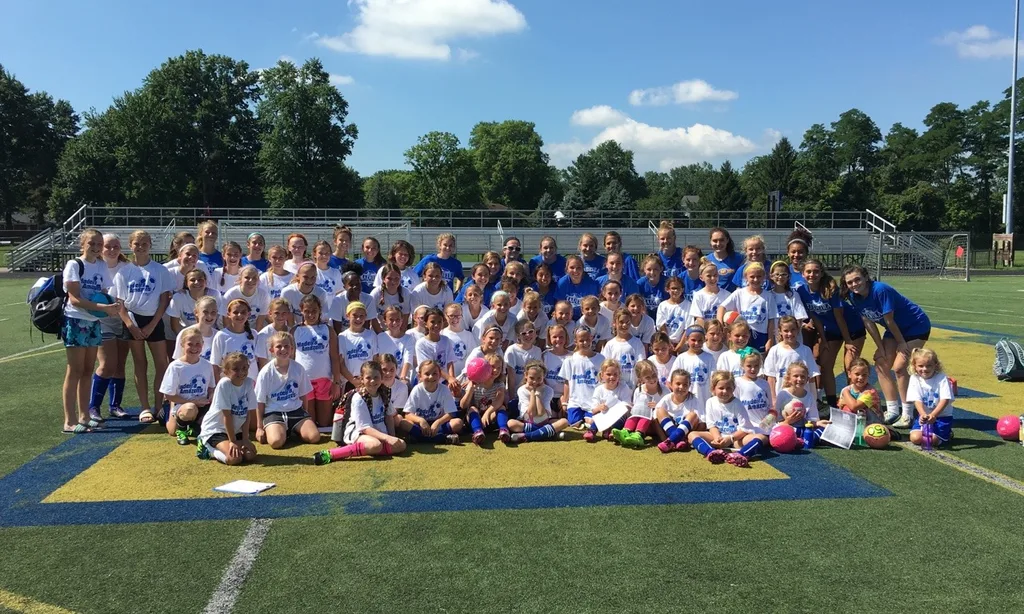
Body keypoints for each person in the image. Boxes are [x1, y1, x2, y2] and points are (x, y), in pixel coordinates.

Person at [841, 264, 931, 428]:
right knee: (881, 363)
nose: (854, 284)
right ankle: (892, 410)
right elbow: (868, 322)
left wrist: (902, 343)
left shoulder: (880, 290)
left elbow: (889, 320)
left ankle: (907, 413)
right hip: (894, 330)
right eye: (850, 282)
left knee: (899, 367)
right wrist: (880, 347)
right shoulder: (854, 297)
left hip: (916, 326)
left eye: (857, 279)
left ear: (866, 278)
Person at [61, 229, 124, 433]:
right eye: (92, 243)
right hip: (76, 320)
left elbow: (102, 294)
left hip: (94, 322)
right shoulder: (74, 265)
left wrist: (113, 305)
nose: (96, 247)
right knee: (75, 370)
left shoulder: (101, 265)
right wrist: (103, 309)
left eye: (99, 243)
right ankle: (69, 421)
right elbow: (74, 299)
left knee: (88, 370)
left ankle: (84, 416)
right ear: (83, 244)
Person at [112, 230, 174, 425]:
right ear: (130, 246)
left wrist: (153, 324)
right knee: (140, 364)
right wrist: (131, 325)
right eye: (136, 243)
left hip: (154, 320)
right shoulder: (124, 271)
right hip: (132, 321)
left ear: (150, 245)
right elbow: (120, 302)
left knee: (161, 364)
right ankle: (145, 407)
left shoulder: (160, 270)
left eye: (144, 243)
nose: (140, 247)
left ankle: (159, 406)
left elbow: (164, 300)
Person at [799, 259, 864, 409]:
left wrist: (848, 340)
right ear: (803, 274)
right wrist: (824, 338)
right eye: (808, 271)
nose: (812, 274)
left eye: (816, 271)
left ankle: (853, 402)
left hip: (852, 328)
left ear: (821, 273)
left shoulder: (829, 288)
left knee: (850, 366)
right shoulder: (802, 291)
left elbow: (839, 317)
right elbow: (815, 317)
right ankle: (832, 404)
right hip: (831, 330)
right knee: (826, 365)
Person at [314, 360, 406, 464]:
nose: (372, 381)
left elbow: (389, 418)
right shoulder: (359, 398)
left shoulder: (384, 393)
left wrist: (392, 437)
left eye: (376, 377)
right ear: (362, 379)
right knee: (375, 445)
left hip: (378, 433)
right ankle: (332, 454)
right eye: (368, 378)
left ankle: (367, 449)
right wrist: (388, 438)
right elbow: (365, 428)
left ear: (381, 378)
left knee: (401, 445)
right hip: (358, 432)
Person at [88, 232, 130, 422]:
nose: (112, 250)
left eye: (116, 247)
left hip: (124, 320)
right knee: (107, 364)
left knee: (120, 365)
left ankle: (115, 405)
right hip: (103, 320)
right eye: (108, 246)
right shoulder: (95, 267)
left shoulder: (127, 268)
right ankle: (93, 407)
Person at [255, 331, 320, 449]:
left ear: (292, 349)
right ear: (271, 350)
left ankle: (294, 429)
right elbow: (260, 401)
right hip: (274, 412)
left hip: (295, 410)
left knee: (314, 437)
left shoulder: (298, 368)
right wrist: (259, 427)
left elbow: (303, 395)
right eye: (278, 346)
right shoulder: (265, 372)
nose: (283, 349)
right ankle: (281, 430)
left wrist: (305, 414)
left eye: (286, 346)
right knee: (276, 442)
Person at [688, 371, 766, 467]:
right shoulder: (710, 402)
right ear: (713, 389)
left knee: (762, 438)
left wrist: (730, 439)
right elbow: (711, 425)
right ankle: (711, 452)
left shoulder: (737, 404)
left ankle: (741, 455)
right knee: (692, 434)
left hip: (736, 439)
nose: (725, 391)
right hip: (718, 438)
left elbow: (745, 429)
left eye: (728, 388)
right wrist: (717, 438)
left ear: (733, 388)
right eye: (721, 388)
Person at [197, 352, 257, 465]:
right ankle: (207, 449)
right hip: (216, 430)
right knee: (234, 459)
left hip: (235, 430)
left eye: (244, 368)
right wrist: (233, 442)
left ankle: (231, 443)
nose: (241, 372)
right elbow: (227, 416)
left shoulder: (249, 383)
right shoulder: (224, 384)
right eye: (236, 369)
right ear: (226, 371)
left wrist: (245, 438)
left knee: (250, 455)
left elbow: (247, 414)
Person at [158, 327, 214, 445]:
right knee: (185, 415)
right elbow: (168, 395)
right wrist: (193, 401)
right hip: (183, 405)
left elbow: (211, 388)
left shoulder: (207, 365)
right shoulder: (176, 366)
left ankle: (193, 425)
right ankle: (173, 421)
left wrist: (210, 398)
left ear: (203, 344)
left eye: (198, 344)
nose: (194, 348)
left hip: (202, 405)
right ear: (182, 344)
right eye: (190, 344)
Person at [293, 295, 342, 428]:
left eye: (314, 310)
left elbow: (334, 357)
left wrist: (336, 382)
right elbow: (290, 359)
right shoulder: (295, 331)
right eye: (307, 311)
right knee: (311, 422)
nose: (311, 314)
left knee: (325, 423)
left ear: (320, 310)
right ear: (301, 310)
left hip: (324, 380)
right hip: (304, 381)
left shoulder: (328, 330)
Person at [398, 360, 462, 444]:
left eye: (434, 373)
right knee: (403, 423)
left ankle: (419, 439)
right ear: (419, 376)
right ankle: (442, 438)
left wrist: (438, 422)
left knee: (458, 423)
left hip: (439, 425)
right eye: (427, 374)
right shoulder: (417, 389)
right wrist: (421, 420)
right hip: (421, 426)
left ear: (439, 375)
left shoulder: (444, 389)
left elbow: (451, 413)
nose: (431, 377)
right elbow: (407, 414)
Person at [718, 262, 777, 353]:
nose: (756, 279)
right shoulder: (739, 293)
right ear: (746, 277)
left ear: (764, 277)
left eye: (759, 276)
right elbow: (722, 307)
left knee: (758, 360)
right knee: (739, 358)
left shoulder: (768, 296)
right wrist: (721, 325)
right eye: (752, 277)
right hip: (742, 335)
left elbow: (771, 321)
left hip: (761, 336)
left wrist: (770, 340)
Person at [763, 316, 820, 407]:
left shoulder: (805, 350)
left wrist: (813, 397)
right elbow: (771, 377)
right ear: (780, 331)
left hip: (803, 399)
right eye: (786, 331)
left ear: (798, 330)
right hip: (782, 397)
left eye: (793, 330)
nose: (790, 333)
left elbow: (812, 376)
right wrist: (773, 398)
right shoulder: (775, 351)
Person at [509, 361, 569, 443]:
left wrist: (537, 394)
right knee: (511, 423)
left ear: (543, 376)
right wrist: (533, 393)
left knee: (564, 422)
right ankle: (548, 434)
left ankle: (527, 436)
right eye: (532, 378)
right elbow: (531, 413)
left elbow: (541, 413)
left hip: (544, 422)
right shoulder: (522, 390)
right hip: (528, 423)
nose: (535, 382)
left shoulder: (549, 390)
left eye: (539, 378)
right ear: (526, 375)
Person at [907, 348, 955, 448]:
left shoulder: (941, 378)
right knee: (915, 438)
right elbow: (917, 399)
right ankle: (935, 432)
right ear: (914, 366)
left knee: (932, 440)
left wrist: (933, 415)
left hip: (941, 417)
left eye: (929, 366)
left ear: (935, 365)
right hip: (924, 417)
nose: (925, 369)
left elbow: (945, 399)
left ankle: (947, 433)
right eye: (921, 366)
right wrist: (923, 414)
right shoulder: (914, 378)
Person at [774, 362, 828, 449]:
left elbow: (811, 420)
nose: (799, 379)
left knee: (825, 430)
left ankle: (800, 440)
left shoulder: (810, 396)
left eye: (803, 377)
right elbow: (776, 421)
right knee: (780, 432)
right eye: (796, 376)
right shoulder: (782, 394)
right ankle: (803, 440)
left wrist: (817, 423)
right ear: (788, 378)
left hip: (803, 429)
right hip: (786, 428)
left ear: (807, 379)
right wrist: (787, 421)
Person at [558, 327, 604, 429]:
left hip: (592, 402)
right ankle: (581, 419)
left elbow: (603, 382)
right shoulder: (569, 360)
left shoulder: (600, 358)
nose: (585, 343)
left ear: (592, 338)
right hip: (576, 401)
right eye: (581, 340)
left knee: (591, 423)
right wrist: (565, 401)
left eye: (587, 339)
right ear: (576, 341)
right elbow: (567, 382)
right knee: (574, 423)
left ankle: (588, 418)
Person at [612, 359, 662, 447]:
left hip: (656, 423)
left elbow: (670, 406)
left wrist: (657, 406)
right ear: (641, 379)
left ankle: (639, 434)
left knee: (645, 410)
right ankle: (626, 431)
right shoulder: (638, 390)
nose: (652, 379)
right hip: (643, 422)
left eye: (654, 375)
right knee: (637, 410)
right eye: (647, 377)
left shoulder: (664, 390)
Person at [461, 352, 507, 445]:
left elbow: (499, 401)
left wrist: (487, 413)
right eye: (492, 367)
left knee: (502, 407)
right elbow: (463, 405)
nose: (496, 370)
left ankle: (503, 430)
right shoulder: (475, 383)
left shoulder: (499, 384)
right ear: (485, 367)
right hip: (475, 419)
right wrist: (471, 390)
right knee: (472, 408)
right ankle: (478, 432)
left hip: (490, 418)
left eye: (499, 368)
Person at [210, 298, 260, 382]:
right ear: (228, 314)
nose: (239, 315)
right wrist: (217, 386)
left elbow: (259, 361)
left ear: (249, 314)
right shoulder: (221, 336)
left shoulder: (254, 334)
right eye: (235, 312)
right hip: (229, 384)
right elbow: (215, 364)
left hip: (251, 383)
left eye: (243, 312)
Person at [654, 369, 702, 453]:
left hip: (686, 433)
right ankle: (673, 441)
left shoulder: (694, 400)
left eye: (685, 384)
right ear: (671, 384)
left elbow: (702, 424)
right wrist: (664, 439)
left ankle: (673, 441)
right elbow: (655, 420)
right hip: (668, 431)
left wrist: (689, 438)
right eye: (678, 384)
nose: (681, 387)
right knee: (659, 410)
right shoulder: (667, 398)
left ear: (689, 385)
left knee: (693, 415)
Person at [670, 325, 717, 412]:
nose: (697, 343)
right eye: (693, 340)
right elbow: (671, 381)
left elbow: (714, 380)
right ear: (687, 339)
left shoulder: (709, 358)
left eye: (700, 340)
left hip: (704, 400)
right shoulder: (681, 358)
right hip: (686, 403)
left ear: (704, 340)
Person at [584, 359, 632, 442]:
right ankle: (592, 431)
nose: (612, 377)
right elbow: (593, 411)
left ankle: (612, 432)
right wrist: (599, 408)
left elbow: (627, 406)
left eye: (615, 374)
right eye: (608, 374)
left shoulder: (624, 387)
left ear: (619, 375)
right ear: (602, 375)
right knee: (598, 417)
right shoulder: (599, 389)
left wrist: (617, 408)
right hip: (604, 415)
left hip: (618, 416)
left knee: (619, 418)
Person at [415, 307, 458, 395]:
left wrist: (452, 380)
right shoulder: (421, 344)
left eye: (439, 322)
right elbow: (430, 367)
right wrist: (449, 378)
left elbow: (450, 362)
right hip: (429, 383)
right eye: (432, 322)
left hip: (444, 382)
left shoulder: (446, 340)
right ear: (426, 324)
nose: (436, 325)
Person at [504, 320, 542, 417]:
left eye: (530, 331)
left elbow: (538, 375)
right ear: (518, 336)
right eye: (523, 333)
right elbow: (511, 377)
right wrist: (512, 398)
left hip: (531, 392)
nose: (528, 335)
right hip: (516, 392)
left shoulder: (537, 351)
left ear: (535, 333)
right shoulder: (512, 350)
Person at [338, 302, 378, 392]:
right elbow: (341, 363)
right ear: (347, 316)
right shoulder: (342, 337)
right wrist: (353, 380)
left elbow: (375, 359)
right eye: (354, 315)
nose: (358, 319)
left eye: (361, 316)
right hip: (349, 382)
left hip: (368, 381)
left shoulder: (371, 335)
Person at [602, 308, 647, 388]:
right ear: (614, 323)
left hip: (633, 386)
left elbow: (641, 363)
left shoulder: (637, 343)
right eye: (621, 322)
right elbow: (606, 367)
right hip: (616, 387)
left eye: (627, 322)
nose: (624, 325)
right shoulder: (610, 344)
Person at [222, 265, 270, 331]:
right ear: (240, 279)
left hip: (251, 330)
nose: (251, 280)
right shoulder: (231, 294)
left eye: (254, 278)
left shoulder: (263, 295)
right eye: (247, 277)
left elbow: (259, 323)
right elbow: (226, 321)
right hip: (231, 328)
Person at [376, 306, 416, 384]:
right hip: (383, 377)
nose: (394, 323)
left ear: (402, 321)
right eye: (391, 320)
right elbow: (377, 358)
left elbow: (407, 359)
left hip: (400, 378)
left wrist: (402, 377)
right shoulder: (380, 337)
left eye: (397, 320)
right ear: (385, 321)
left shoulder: (408, 339)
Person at [173, 296, 219, 363]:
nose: (209, 315)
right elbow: (178, 362)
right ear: (196, 312)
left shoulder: (218, 335)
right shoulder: (185, 334)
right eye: (205, 312)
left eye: (213, 312)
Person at [443, 303, 479, 378]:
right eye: (451, 316)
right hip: (446, 378)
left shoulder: (468, 335)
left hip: (464, 377)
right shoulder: (442, 334)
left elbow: (473, 357)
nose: (455, 319)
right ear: (446, 316)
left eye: (458, 316)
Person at [542, 325, 571, 417]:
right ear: (549, 339)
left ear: (566, 338)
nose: (558, 339)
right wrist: (548, 396)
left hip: (566, 396)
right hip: (549, 395)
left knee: (565, 416)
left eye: (561, 336)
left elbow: (570, 381)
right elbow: (542, 378)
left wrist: (565, 400)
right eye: (554, 337)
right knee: (551, 416)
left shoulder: (572, 357)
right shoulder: (545, 355)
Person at [656, 276, 690, 351]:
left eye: (678, 288)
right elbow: (662, 326)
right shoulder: (663, 305)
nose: (676, 291)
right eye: (673, 288)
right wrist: (668, 343)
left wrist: (680, 345)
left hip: (682, 343)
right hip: (666, 342)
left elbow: (688, 328)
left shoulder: (688, 305)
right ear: (667, 289)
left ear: (682, 290)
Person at [705, 227, 743, 291]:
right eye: (715, 241)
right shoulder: (706, 260)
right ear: (710, 242)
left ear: (727, 240)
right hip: (713, 299)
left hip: (733, 299)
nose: (718, 244)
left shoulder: (739, 258)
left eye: (721, 240)